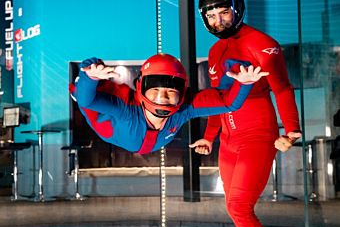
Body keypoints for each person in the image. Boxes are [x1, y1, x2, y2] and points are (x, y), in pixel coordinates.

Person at [190, 0, 302, 227]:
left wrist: (291, 128)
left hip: (257, 135)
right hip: (227, 140)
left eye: (222, 12)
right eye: (210, 17)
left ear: (236, 8)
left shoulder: (261, 42)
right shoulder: (214, 52)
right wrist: (209, 136)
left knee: (239, 207)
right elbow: (217, 99)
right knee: (237, 208)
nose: (217, 21)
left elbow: (282, 88)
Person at [70, 53, 268, 154]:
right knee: (84, 100)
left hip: (138, 139)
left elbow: (228, 103)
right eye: (155, 92)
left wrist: (244, 83)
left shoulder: (183, 110)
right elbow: (88, 100)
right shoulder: (126, 110)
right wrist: (90, 78)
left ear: (182, 93)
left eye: (170, 92)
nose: (162, 99)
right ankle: (83, 82)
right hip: (107, 124)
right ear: (141, 89)